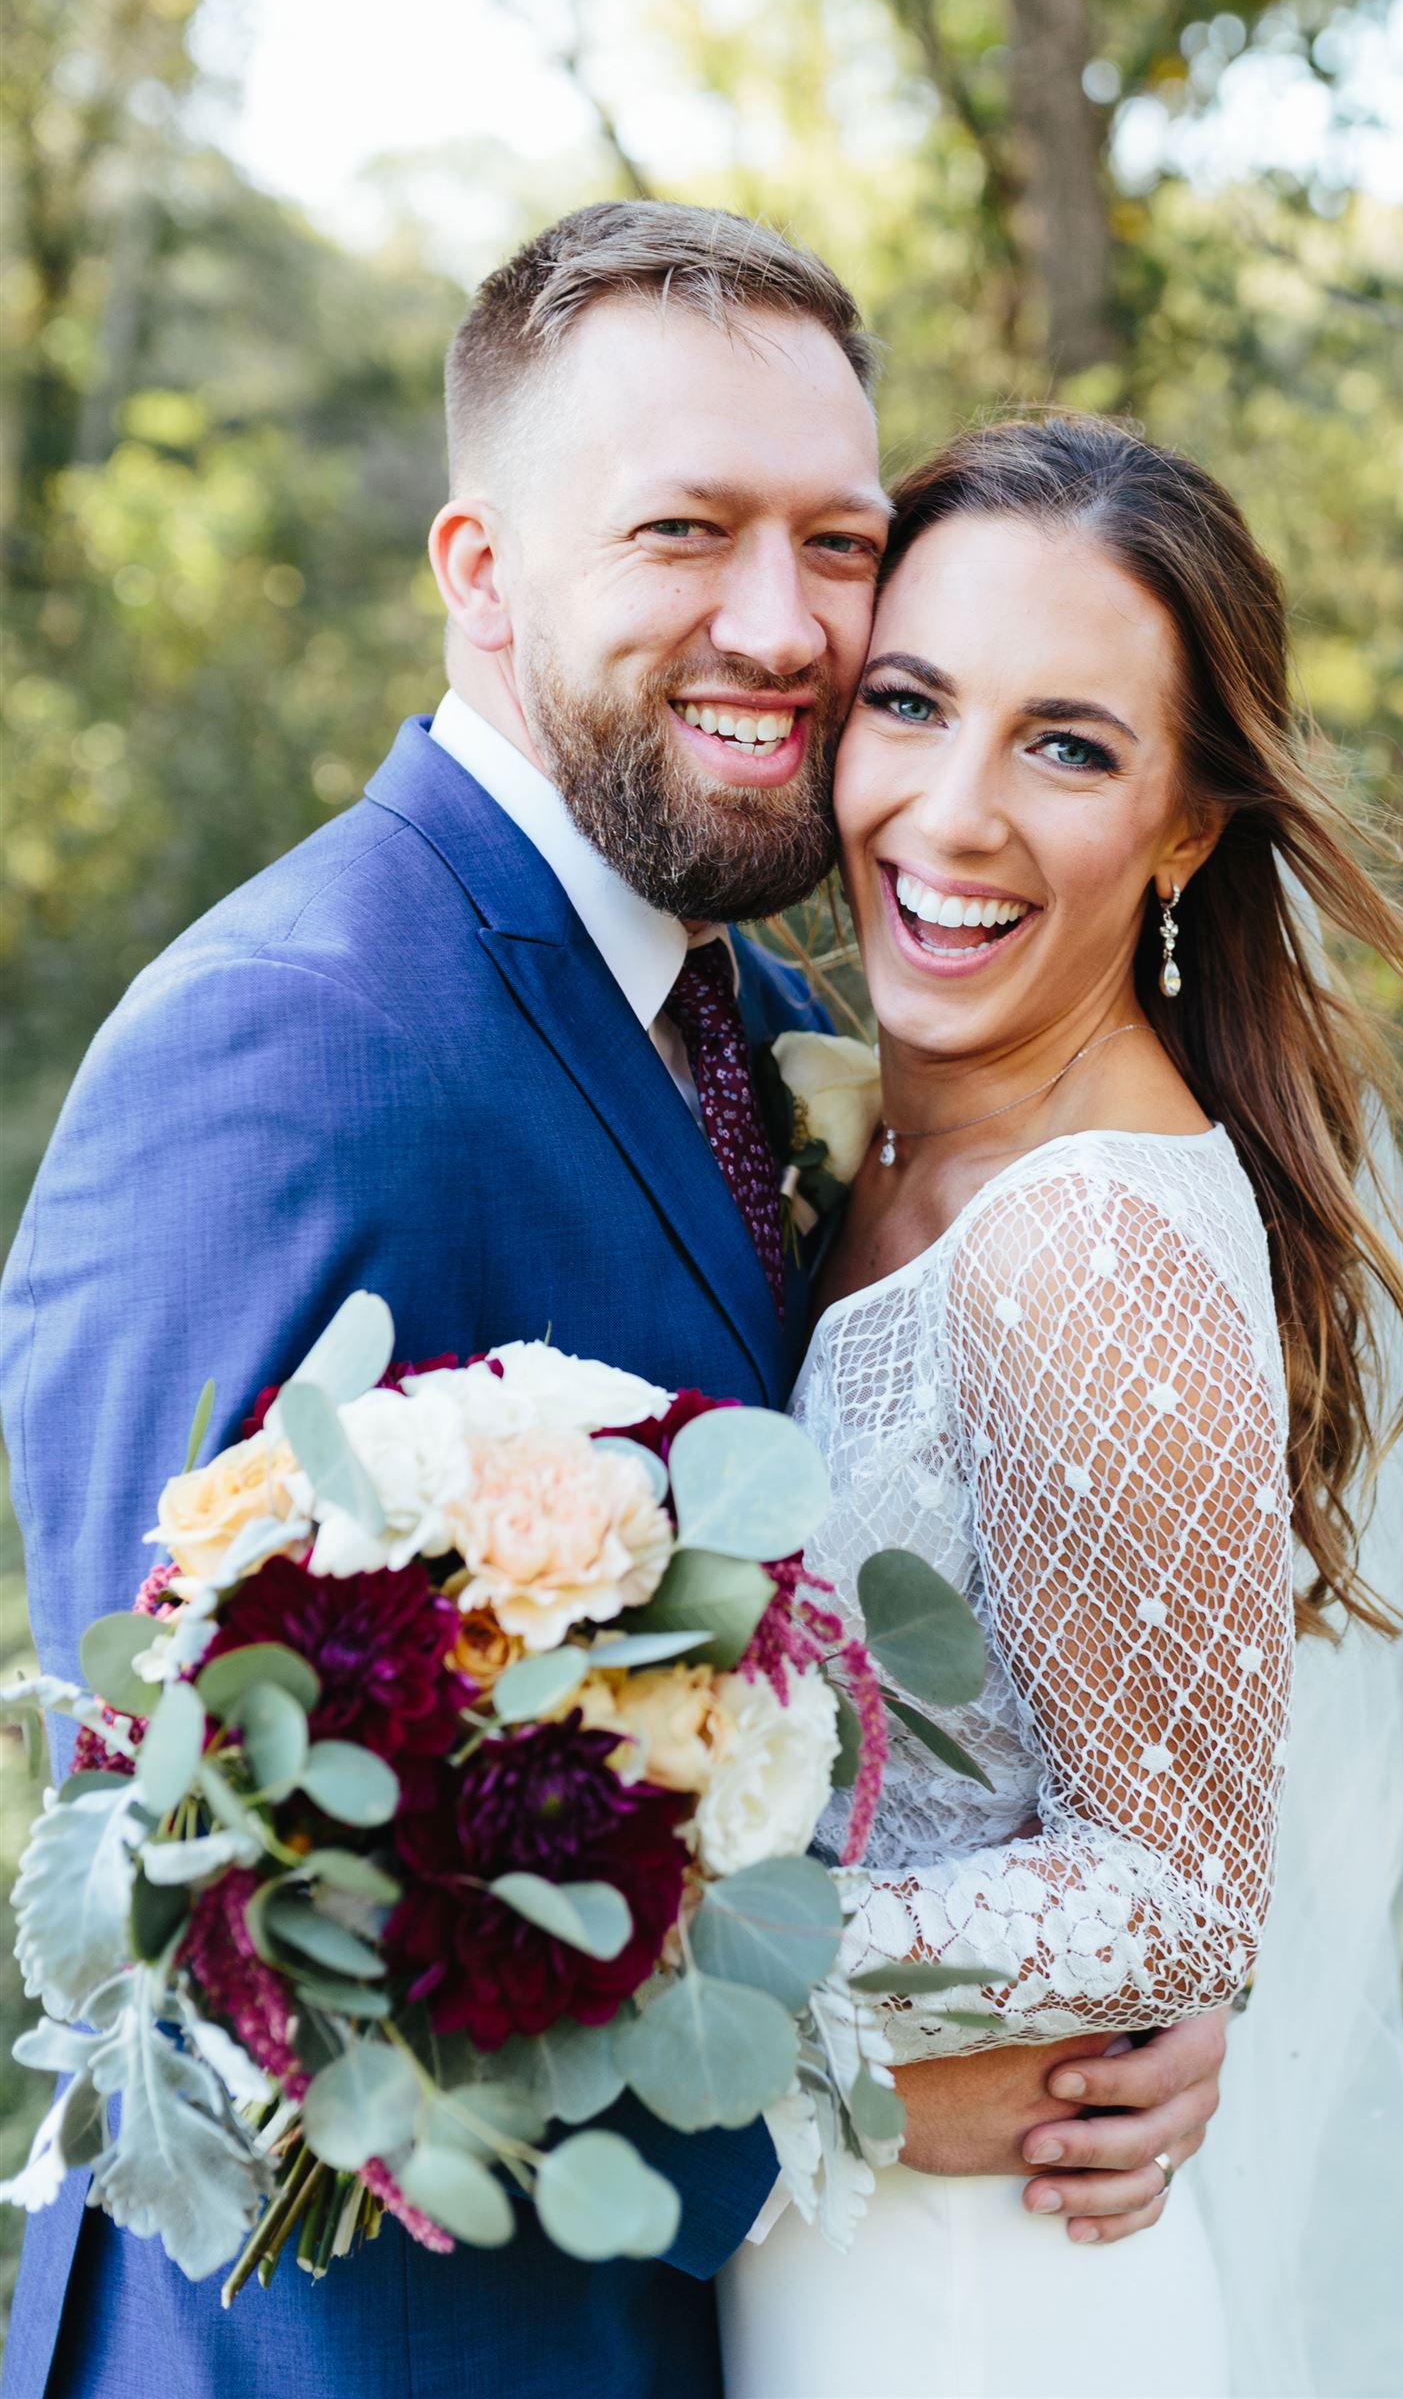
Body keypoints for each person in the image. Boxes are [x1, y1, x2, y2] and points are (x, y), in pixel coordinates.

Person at [0, 208, 1211, 2399]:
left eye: (839, 545)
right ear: (478, 568)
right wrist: (843, 2086)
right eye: (685, 531)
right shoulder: (290, 1047)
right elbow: (222, 1912)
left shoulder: (757, 1013)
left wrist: (1097, 1981)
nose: (782, 625)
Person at [717, 415, 1403, 2399]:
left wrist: (657, 1950)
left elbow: (1168, 1895)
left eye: (1067, 744)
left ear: (1186, 824)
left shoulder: (1092, 1246)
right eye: (910, 701)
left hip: (978, 2294)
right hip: (835, 2223)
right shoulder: (867, 1118)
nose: (950, 813)